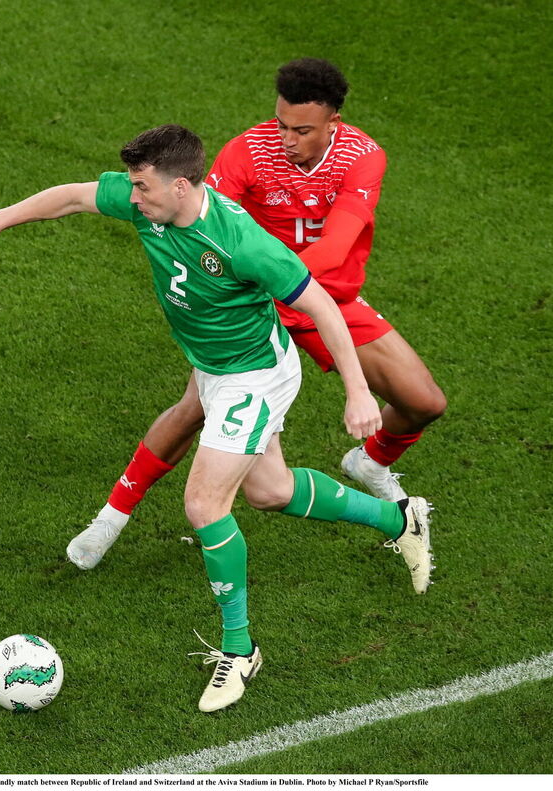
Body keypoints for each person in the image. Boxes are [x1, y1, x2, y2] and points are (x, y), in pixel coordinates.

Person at [0, 124, 432, 713]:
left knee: (205, 504)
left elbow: (321, 306)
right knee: (271, 491)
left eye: (142, 187)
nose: (132, 197)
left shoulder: (242, 243)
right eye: (131, 185)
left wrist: (357, 393)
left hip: (253, 376)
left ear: (181, 186)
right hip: (213, 366)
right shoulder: (147, 205)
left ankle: (241, 649)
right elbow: (72, 196)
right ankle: (399, 518)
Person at [67, 59, 446, 583]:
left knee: (424, 402)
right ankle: (112, 517)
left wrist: (273, 279)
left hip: (315, 295)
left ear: (334, 121)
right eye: (281, 123)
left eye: (302, 130)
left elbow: (335, 248)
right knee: (194, 410)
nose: (286, 138)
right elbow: (206, 217)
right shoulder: (249, 149)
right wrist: (238, 289)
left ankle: (369, 464)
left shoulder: (363, 158)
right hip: (251, 302)